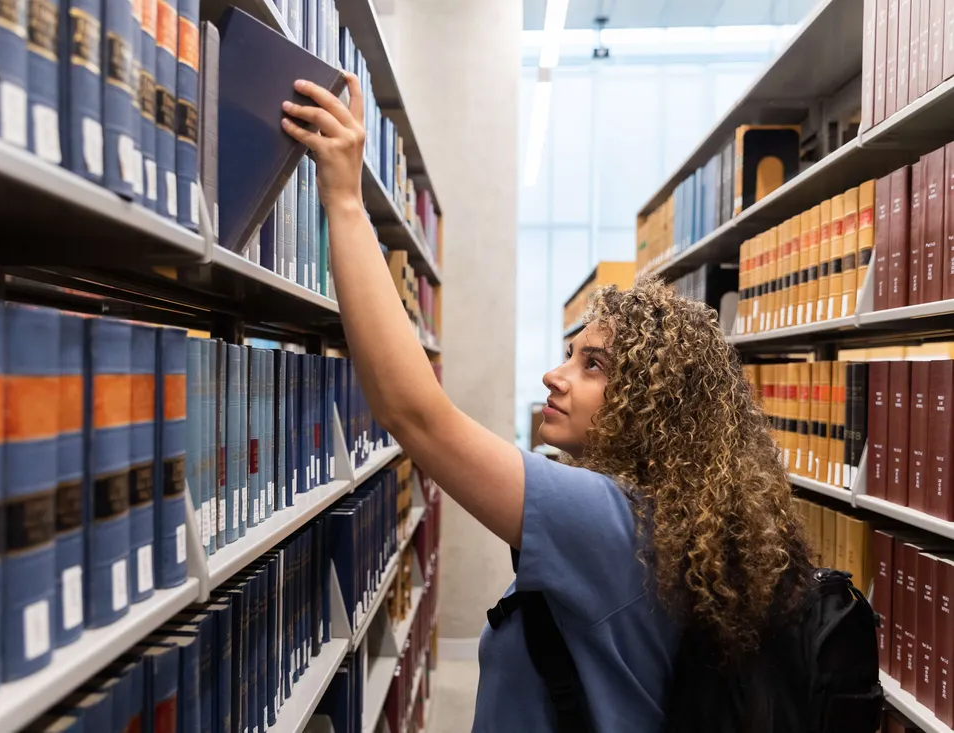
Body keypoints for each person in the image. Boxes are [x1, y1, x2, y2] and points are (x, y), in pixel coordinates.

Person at [282, 74, 813, 732]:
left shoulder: (611, 524)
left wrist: (344, 199)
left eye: (592, 365)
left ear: (653, 404)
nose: (554, 377)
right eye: (570, 355)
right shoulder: (672, 526)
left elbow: (413, 413)